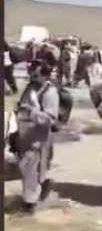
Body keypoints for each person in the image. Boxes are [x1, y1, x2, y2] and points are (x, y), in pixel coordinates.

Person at [14, 60, 60, 215]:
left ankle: (29, 203)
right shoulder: (31, 87)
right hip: (24, 133)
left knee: (29, 167)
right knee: (26, 167)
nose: (32, 76)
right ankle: (43, 184)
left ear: (44, 74)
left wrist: (32, 111)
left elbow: (50, 119)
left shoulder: (50, 92)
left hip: (38, 136)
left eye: (36, 74)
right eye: (31, 73)